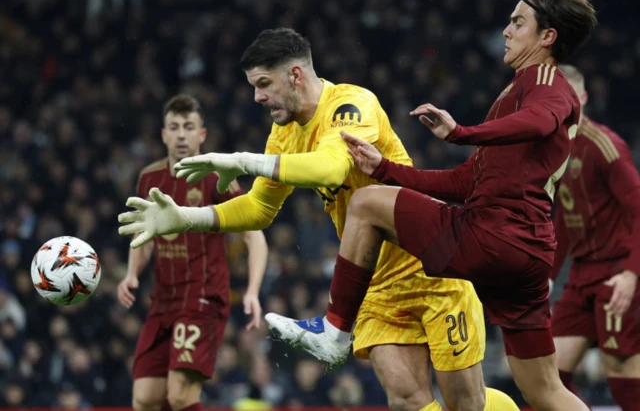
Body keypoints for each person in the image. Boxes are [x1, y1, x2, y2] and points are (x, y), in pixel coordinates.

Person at [118, 28, 519, 411]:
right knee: (405, 400)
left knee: (466, 404)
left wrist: (242, 160)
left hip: (431, 266)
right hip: (372, 284)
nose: (256, 97)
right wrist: (184, 217)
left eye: (263, 84)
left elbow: (329, 168)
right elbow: (259, 208)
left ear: (295, 75)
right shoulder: (284, 134)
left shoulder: (351, 104)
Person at [257, 0, 597, 411]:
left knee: (366, 204)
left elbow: (541, 120)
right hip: (525, 252)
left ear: (547, 37)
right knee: (544, 391)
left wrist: (461, 133)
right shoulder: (516, 92)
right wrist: (384, 169)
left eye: (518, 22)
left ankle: (334, 332)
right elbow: (465, 181)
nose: (507, 31)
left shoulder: (544, 81)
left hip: (496, 234)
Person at [116, 94, 269, 411]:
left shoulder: (216, 176)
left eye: (189, 127)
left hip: (203, 297)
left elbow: (255, 236)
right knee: (145, 398)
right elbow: (142, 235)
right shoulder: (149, 178)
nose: (181, 134)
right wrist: (132, 274)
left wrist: (253, 291)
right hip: (162, 300)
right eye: (174, 127)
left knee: (181, 395)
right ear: (163, 134)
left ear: (202, 134)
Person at [549, 65, 640, 411]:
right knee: (550, 372)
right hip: (581, 277)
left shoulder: (606, 146)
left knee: (620, 370)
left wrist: (632, 275)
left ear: (584, 98)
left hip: (616, 273)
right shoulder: (554, 150)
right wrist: (549, 274)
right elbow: (565, 220)